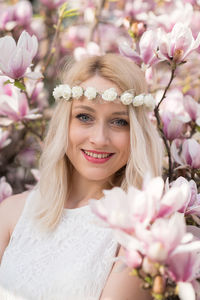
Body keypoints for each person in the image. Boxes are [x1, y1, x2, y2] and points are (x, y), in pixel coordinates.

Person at [0, 53, 163, 300]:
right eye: (84, 117)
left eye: (119, 121)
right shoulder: (12, 213)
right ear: (65, 123)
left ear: (137, 134)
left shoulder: (141, 232)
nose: (99, 138)